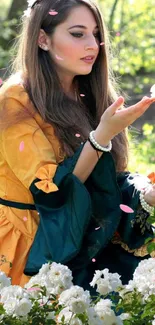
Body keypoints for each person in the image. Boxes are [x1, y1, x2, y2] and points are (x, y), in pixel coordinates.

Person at [0, 0, 155, 291]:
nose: (93, 45)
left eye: (96, 34)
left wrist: (146, 193)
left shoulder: (90, 90)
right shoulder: (15, 99)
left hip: (86, 241)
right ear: (43, 39)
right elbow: (51, 192)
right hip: (30, 244)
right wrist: (100, 137)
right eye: (77, 33)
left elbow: (107, 180)